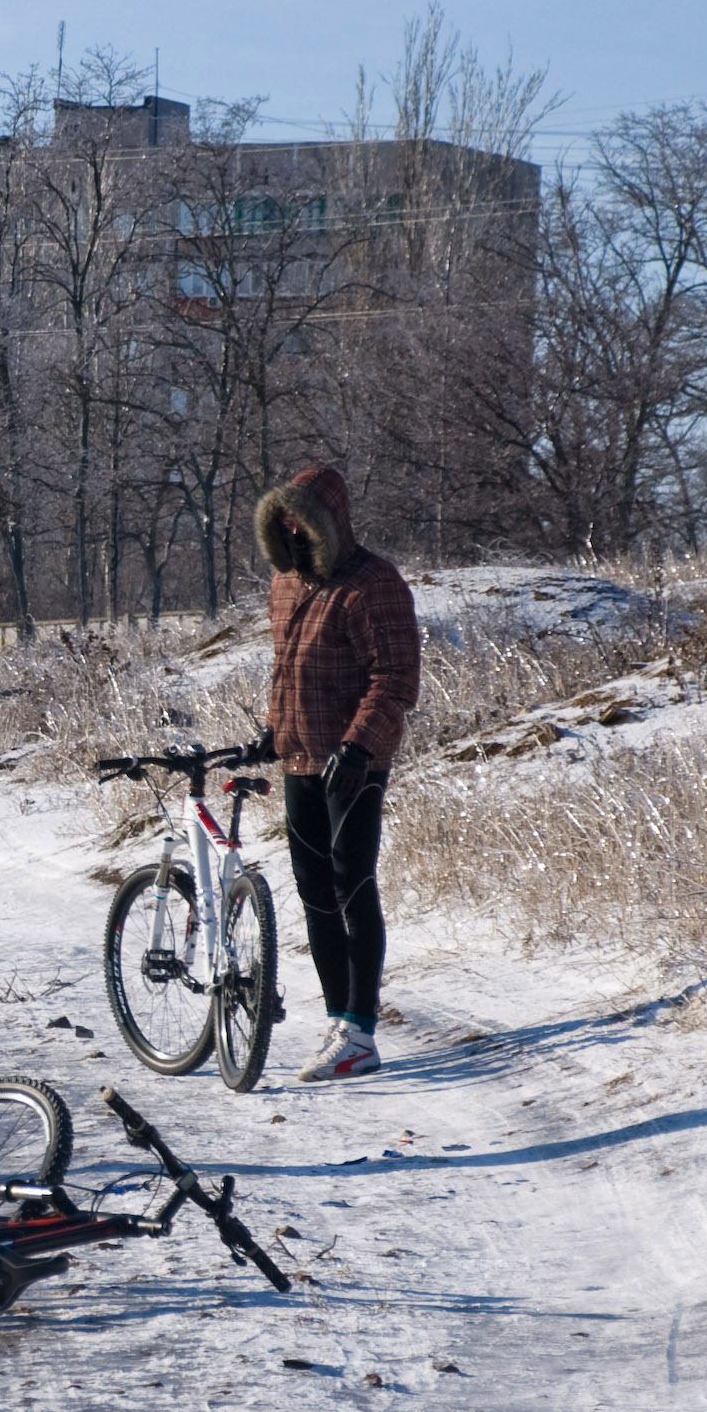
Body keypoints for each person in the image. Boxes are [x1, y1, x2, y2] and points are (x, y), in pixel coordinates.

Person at [255, 464, 421, 1084]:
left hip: (354, 764)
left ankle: (361, 1031)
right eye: (284, 523)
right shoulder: (283, 584)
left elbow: (396, 679)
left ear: (332, 522)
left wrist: (357, 748)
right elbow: (287, 670)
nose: (294, 533)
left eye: (303, 521)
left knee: (353, 888)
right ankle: (336, 1018)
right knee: (315, 894)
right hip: (300, 759)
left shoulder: (372, 583)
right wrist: (271, 732)